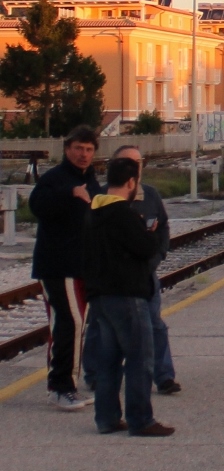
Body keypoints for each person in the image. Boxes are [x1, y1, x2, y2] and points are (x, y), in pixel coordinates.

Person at [82, 157, 174, 436]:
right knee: (140, 358)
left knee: (109, 361)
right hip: (127, 294)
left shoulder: (93, 212)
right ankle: (141, 419)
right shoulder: (123, 214)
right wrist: (150, 234)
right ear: (132, 182)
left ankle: (107, 418)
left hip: (100, 296)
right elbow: (145, 248)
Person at [29, 125, 102, 410]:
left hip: (82, 266)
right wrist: (69, 194)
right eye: (78, 149)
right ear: (67, 149)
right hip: (57, 266)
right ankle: (61, 387)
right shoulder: (55, 179)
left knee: (75, 323)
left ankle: (66, 384)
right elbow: (37, 205)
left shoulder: (91, 181)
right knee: (70, 322)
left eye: (88, 149)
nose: (83, 154)